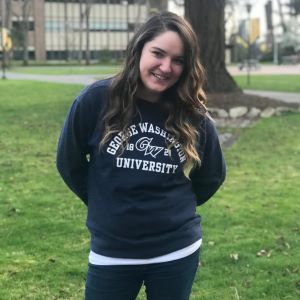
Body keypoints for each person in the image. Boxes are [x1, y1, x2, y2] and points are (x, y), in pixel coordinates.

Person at [56, 11, 226, 300]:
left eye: (178, 60)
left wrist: (176, 206)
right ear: (139, 50)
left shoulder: (192, 113)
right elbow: (69, 163)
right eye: (158, 53)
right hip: (113, 252)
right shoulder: (95, 100)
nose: (166, 66)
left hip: (176, 249)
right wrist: (103, 201)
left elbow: (212, 175)